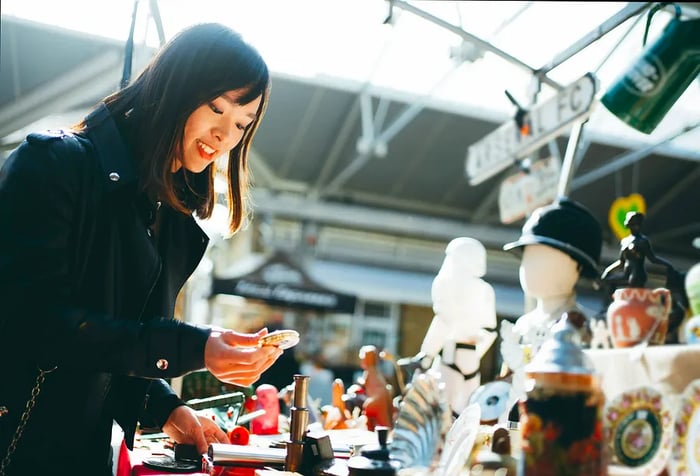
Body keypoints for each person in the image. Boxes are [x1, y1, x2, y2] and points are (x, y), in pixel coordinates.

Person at [0, 23, 284, 476]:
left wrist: (166, 408)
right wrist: (195, 347)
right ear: (175, 87)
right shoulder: (53, 165)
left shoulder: (166, 213)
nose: (225, 135)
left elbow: (113, 337)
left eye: (240, 124)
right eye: (215, 108)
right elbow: (40, 325)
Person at [601, 211, 677, 288]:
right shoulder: (625, 241)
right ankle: (612, 298)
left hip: (637, 275)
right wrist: (608, 270)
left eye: (636, 224)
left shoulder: (643, 241)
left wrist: (668, 265)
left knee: (632, 286)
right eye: (633, 224)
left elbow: (653, 259)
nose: (635, 227)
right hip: (626, 274)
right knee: (609, 281)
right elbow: (621, 262)